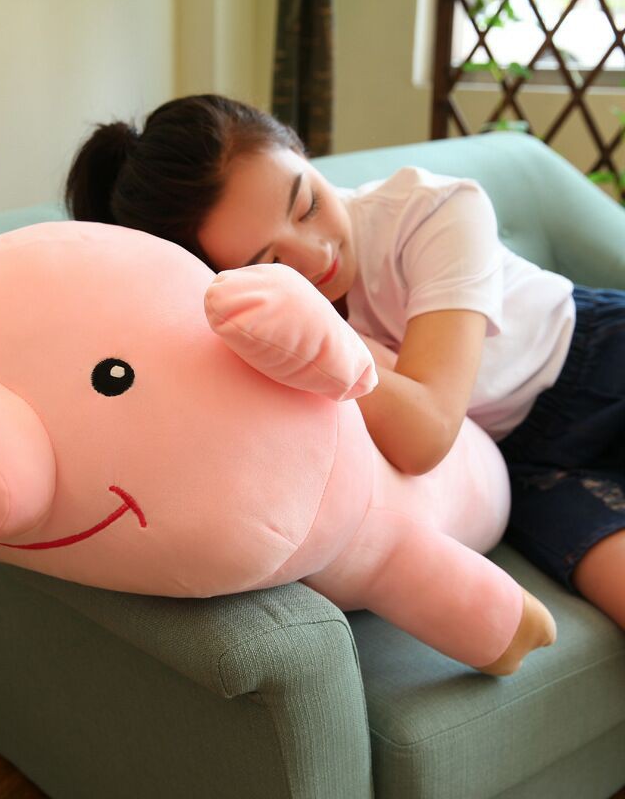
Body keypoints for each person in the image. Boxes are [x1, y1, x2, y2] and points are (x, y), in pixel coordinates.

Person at [64, 93, 625, 635]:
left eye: (307, 204)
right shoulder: (237, 332)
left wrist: (316, 334)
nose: (318, 254)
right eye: (272, 260)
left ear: (300, 150)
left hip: (595, 355)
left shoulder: (432, 211)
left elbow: (426, 433)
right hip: (520, 466)